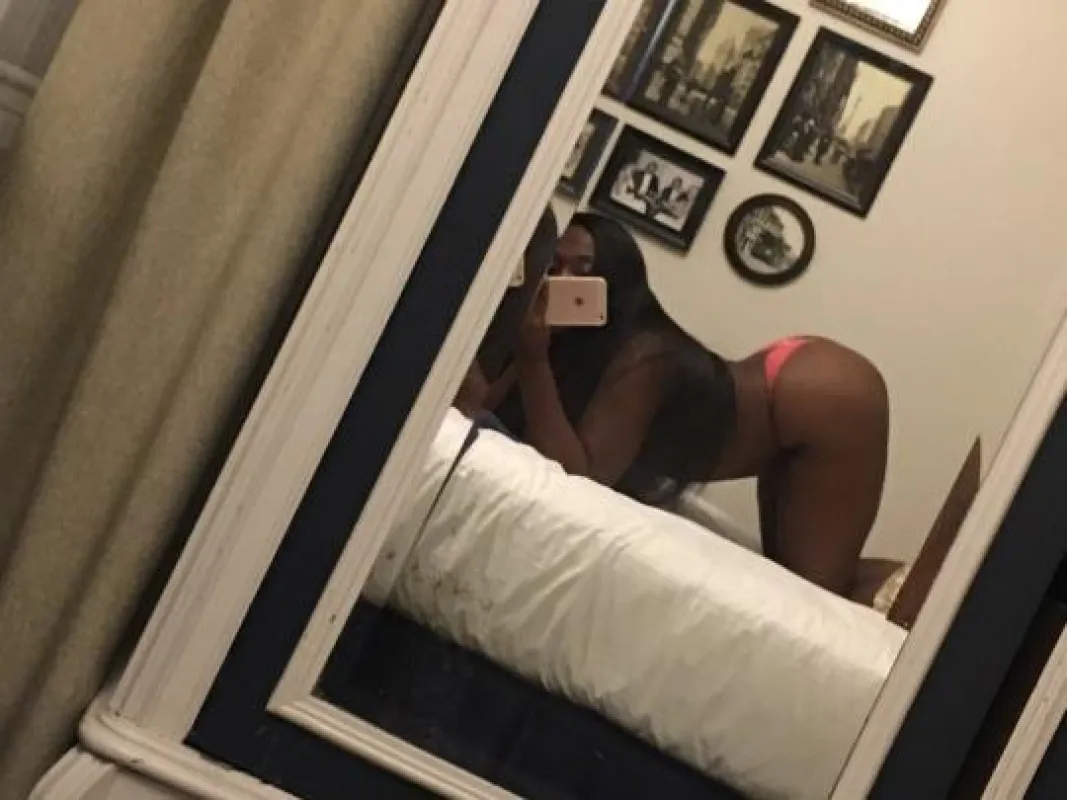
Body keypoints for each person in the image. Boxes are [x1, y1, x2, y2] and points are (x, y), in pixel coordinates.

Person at [491, 213, 890, 601]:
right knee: (791, 570)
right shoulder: (570, 344)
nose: (564, 281)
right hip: (785, 390)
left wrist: (533, 359)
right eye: (554, 266)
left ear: (615, 282)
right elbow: (493, 406)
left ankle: (905, 587)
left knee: (819, 593)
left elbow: (578, 478)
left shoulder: (644, 359)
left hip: (822, 398)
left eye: (585, 270)